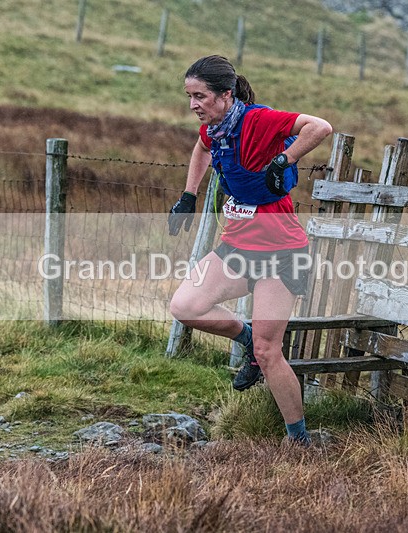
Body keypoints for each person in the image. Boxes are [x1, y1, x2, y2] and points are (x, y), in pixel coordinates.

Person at [167, 55, 332, 446]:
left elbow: (320, 127)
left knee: (269, 350)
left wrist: (285, 159)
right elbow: (201, 150)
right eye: (189, 96)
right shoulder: (215, 129)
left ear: (226, 95)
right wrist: (189, 195)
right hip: (237, 249)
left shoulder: (258, 120)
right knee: (185, 307)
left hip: (282, 253)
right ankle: (245, 338)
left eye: (201, 96)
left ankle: (299, 440)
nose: (194, 105)